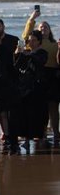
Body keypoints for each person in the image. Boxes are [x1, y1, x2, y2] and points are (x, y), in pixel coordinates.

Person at [22, 8, 59, 145]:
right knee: (41, 107)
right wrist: (32, 19)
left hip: (53, 76)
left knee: (53, 107)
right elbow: (26, 35)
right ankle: (41, 132)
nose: (43, 28)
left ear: (50, 30)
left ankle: (56, 133)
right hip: (38, 76)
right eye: (41, 27)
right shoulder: (34, 43)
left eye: (46, 27)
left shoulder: (55, 44)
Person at [10, 30, 49, 150]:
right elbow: (16, 66)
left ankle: (39, 137)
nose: (31, 42)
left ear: (39, 42)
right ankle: (26, 138)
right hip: (25, 88)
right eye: (29, 40)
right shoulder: (25, 53)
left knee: (38, 114)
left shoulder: (42, 53)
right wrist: (17, 54)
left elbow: (39, 62)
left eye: (34, 40)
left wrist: (26, 55)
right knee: (24, 114)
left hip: (38, 88)